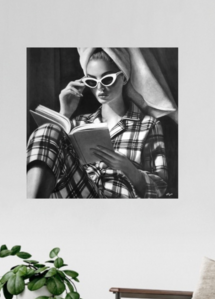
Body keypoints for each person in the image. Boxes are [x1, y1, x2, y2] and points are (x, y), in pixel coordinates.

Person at [27, 48, 173, 198]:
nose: (100, 88)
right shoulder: (79, 123)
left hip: (117, 199)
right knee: (48, 129)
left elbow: (160, 187)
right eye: (91, 81)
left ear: (123, 77)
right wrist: (65, 113)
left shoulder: (148, 125)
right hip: (79, 195)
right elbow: (56, 162)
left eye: (107, 79)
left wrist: (129, 168)